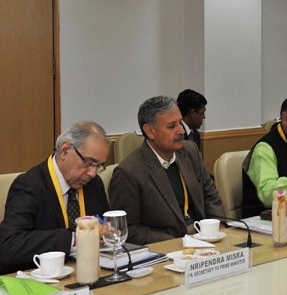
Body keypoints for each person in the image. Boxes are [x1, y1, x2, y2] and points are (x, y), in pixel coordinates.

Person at [109, 96, 224, 245]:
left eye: (180, 123)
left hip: (206, 239)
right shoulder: (129, 172)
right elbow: (129, 229)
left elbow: (210, 195)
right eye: (172, 126)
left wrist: (218, 226)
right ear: (150, 131)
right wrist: (177, 243)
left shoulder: (190, 151)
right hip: (168, 247)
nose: (181, 131)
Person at [0, 121, 110, 274]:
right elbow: (9, 246)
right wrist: (74, 239)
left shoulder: (93, 184)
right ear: (65, 150)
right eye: (89, 163)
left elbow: (102, 225)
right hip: (42, 277)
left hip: (89, 272)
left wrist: (108, 232)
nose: (93, 173)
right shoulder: (29, 186)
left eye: (99, 166)